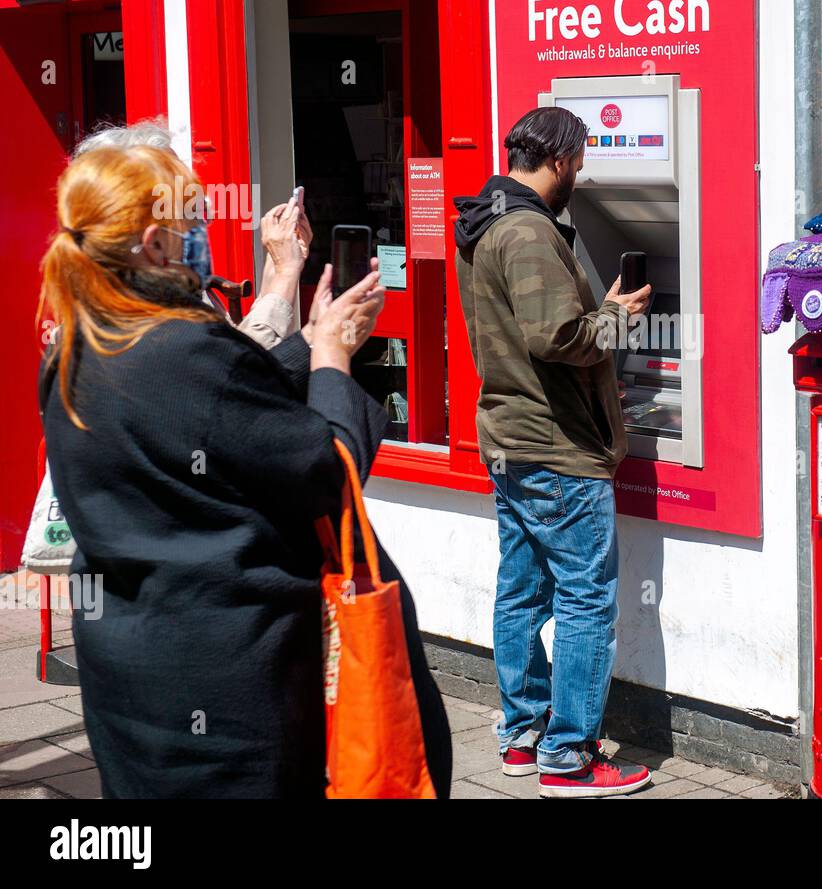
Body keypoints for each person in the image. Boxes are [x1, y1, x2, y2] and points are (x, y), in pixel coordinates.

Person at [38, 143, 452, 798]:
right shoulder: (183, 348)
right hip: (230, 688)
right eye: (187, 222)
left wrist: (309, 340)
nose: (195, 237)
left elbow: (212, 411)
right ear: (153, 242)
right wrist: (334, 357)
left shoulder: (75, 347)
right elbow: (329, 469)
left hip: (129, 675)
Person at [453, 106, 654, 798]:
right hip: (557, 446)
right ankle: (568, 758)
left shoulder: (484, 221)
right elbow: (556, 336)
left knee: (521, 591)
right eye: (580, 163)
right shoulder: (529, 229)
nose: (580, 177)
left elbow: (523, 333)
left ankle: (523, 735)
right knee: (585, 600)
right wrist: (617, 317)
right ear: (561, 159)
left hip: (511, 437)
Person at [75, 120, 309, 350]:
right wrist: (285, 274)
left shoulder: (153, 279)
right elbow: (240, 366)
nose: (206, 216)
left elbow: (236, 349)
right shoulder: (147, 302)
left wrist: (276, 268)